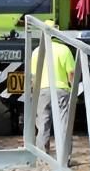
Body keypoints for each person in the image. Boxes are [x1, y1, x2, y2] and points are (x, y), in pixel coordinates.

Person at [29, 20, 75, 151]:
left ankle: (43, 156)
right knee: (63, 124)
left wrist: (34, 94)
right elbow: (71, 73)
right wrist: (72, 90)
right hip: (61, 90)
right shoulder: (64, 50)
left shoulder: (36, 52)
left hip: (43, 91)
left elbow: (34, 77)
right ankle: (64, 157)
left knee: (43, 124)